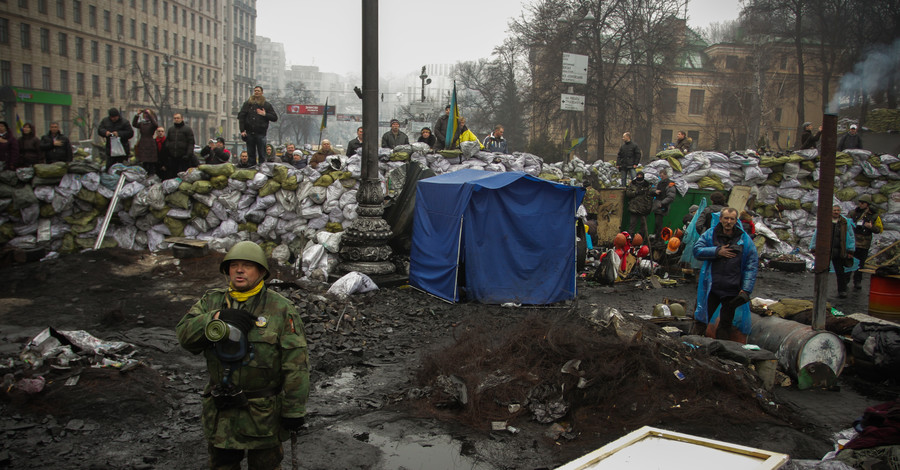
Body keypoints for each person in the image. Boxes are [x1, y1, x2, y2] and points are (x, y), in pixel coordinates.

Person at [175, 241, 309, 470]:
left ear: (261, 272)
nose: (239, 270)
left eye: (247, 265)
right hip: (221, 412)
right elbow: (185, 337)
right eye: (234, 265)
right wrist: (216, 318)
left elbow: (296, 364)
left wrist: (294, 410)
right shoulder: (212, 302)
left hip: (262, 415)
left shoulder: (280, 309)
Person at [692, 208, 758, 343]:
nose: (728, 222)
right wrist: (716, 251)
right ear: (720, 219)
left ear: (736, 220)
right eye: (726, 218)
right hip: (712, 287)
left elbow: (751, 265)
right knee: (702, 319)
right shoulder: (710, 235)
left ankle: (721, 352)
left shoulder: (744, 239)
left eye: (732, 219)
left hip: (732, 289)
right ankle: (693, 345)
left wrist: (746, 289)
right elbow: (697, 250)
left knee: (726, 324)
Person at [810, 205, 858, 299]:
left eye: (838, 210)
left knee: (840, 272)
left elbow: (851, 236)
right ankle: (820, 291)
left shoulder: (844, 222)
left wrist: (850, 250)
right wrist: (814, 248)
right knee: (822, 270)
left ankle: (842, 291)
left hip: (839, 250)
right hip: (826, 250)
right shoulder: (825, 221)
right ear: (831, 211)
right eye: (834, 210)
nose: (836, 212)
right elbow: (817, 234)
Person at [848, 194, 883, 290]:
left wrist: (871, 227)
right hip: (853, 242)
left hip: (864, 244)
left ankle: (857, 281)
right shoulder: (853, 213)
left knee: (860, 264)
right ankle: (845, 282)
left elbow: (879, 229)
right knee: (848, 262)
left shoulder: (874, 215)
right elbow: (846, 223)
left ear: (867, 204)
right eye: (859, 202)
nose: (860, 204)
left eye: (863, 203)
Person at [238, 85, 278, 166]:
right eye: (255, 90)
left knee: (262, 155)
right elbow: (241, 117)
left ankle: (262, 169)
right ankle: (252, 168)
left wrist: (265, 114)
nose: (256, 92)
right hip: (249, 133)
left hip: (261, 133)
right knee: (251, 154)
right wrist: (242, 130)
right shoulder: (247, 104)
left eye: (258, 91)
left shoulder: (266, 105)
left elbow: (274, 118)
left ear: (262, 93)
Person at [625, 171, 653, 240]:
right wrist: (635, 193)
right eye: (638, 175)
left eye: (641, 176)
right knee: (632, 224)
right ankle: (630, 239)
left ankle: (640, 239)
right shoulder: (633, 184)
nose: (639, 177)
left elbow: (650, 196)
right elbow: (628, 193)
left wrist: (648, 207)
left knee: (643, 225)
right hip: (634, 208)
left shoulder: (647, 185)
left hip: (644, 208)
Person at [132, 109, 160, 176]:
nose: (146, 115)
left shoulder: (152, 124)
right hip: (142, 144)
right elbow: (134, 124)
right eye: (145, 114)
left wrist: (149, 115)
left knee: (151, 164)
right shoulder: (142, 123)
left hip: (150, 144)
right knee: (144, 163)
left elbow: (155, 125)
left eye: (147, 114)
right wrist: (137, 115)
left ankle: (151, 176)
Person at [651, 169, 677, 239]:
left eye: (662, 176)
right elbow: (653, 189)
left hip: (662, 207)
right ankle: (656, 236)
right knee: (657, 223)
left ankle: (658, 238)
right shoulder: (660, 183)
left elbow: (671, 197)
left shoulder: (670, 184)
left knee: (658, 223)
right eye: (660, 175)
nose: (661, 177)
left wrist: (662, 203)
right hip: (657, 205)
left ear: (665, 175)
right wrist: (655, 191)